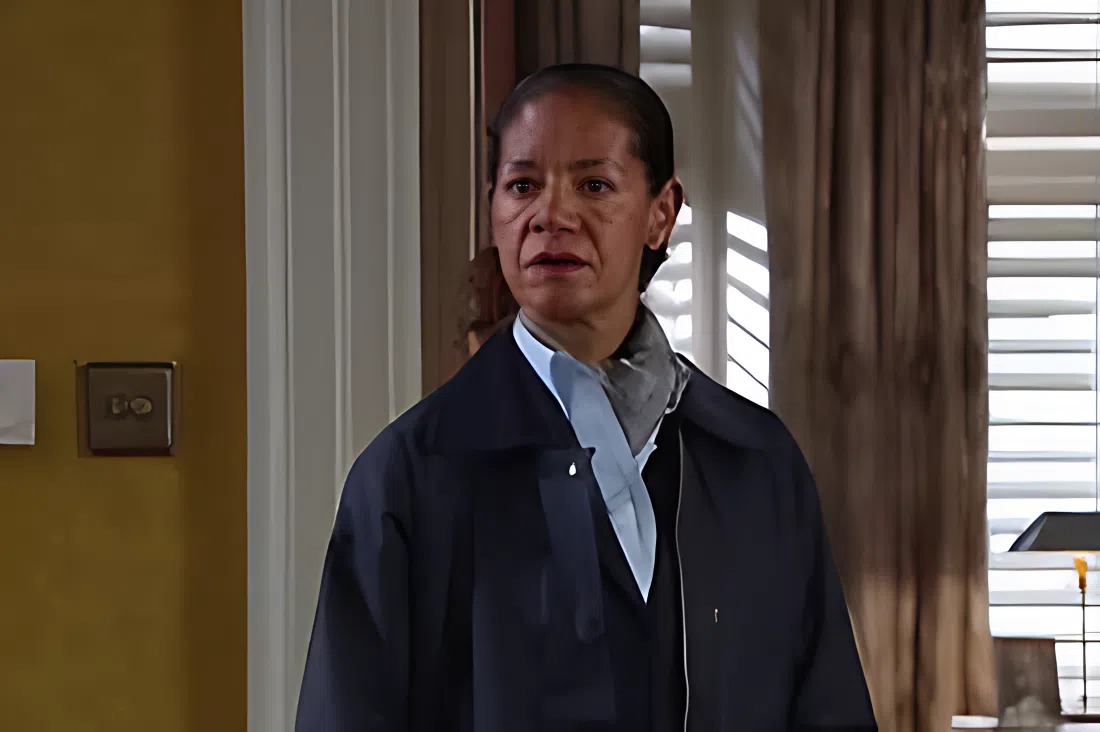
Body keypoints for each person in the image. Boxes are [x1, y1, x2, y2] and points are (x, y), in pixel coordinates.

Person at [296, 63, 876, 731]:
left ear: (662, 214)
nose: (552, 215)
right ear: (494, 209)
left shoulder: (755, 461)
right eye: (523, 186)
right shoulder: (411, 475)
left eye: (594, 185)